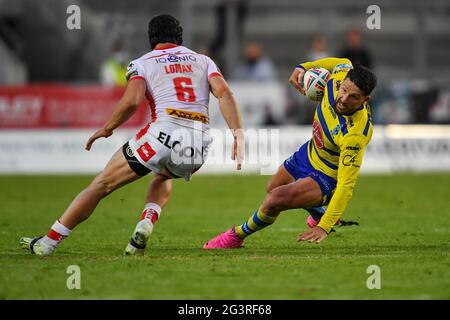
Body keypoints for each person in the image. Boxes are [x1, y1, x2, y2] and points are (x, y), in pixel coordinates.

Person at [20, 14, 244, 256]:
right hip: (198, 143)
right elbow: (225, 94)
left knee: (101, 185)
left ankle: (48, 243)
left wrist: (108, 128)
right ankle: (146, 221)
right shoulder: (204, 60)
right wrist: (238, 135)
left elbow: (132, 101)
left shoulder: (142, 63)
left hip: (163, 133)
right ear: (180, 38)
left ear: (151, 38)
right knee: (163, 177)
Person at [204, 57, 376, 248]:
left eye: (354, 97)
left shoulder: (355, 135)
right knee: (272, 187)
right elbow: (342, 61)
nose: (343, 99)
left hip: (327, 177)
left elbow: (346, 186)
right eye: (343, 90)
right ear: (342, 82)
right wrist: (303, 67)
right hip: (310, 153)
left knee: (274, 200)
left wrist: (324, 228)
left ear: (365, 100)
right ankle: (318, 213)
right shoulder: (339, 75)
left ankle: (235, 236)